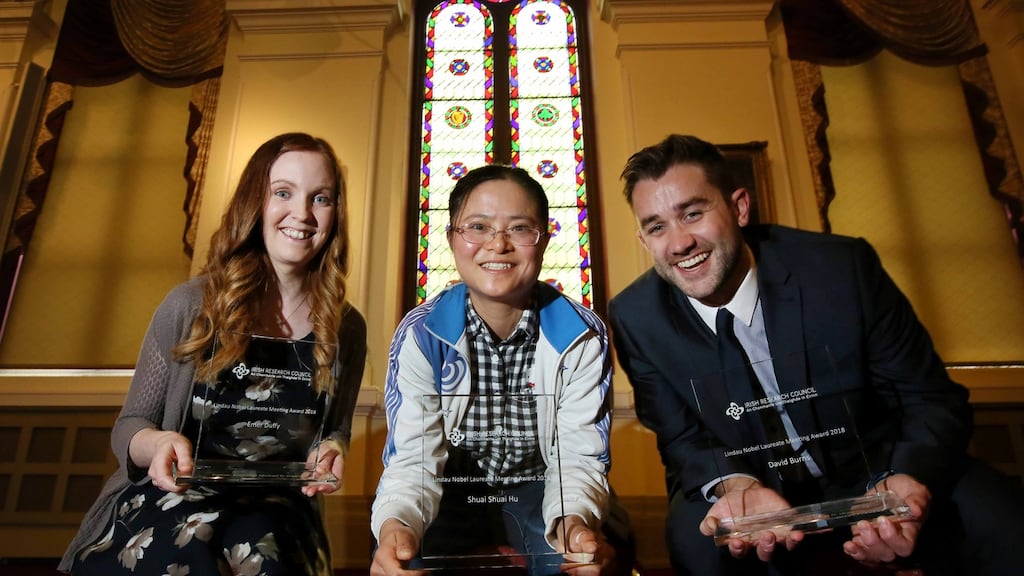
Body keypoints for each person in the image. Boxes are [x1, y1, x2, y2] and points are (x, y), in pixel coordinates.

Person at [608, 134, 1024, 575]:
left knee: (1001, 520)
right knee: (696, 546)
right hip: (753, 480)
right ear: (643, 239)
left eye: (692, 214)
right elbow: (683, 438)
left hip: (877, 467)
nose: (679, 243)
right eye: (657, 227)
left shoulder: (841, 269)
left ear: (740, 208)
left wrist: (901, 481)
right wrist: (737, 484)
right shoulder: (636, 317)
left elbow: (929, 397)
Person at [59, 132, 367, 575]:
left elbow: (334, 430)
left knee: (263, 560)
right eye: (283, 193)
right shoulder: (189, 305)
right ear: (254, 202)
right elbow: (129, 426)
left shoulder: (346, 326)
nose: (302, 213)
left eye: (321, 198)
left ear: (336, 213)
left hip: (278, 507)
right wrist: (161, 442)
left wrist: (332, 449)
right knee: (183, 554)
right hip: (175, 495)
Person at [370, 165, 633, 576]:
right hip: (449, 490)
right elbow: (413, 460)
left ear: (542, 241)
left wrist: (573, 521)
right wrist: (396, 526)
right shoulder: (422, 333)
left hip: (541, 487)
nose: (498, 245)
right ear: (452, 240)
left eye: (520, 229)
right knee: (404, 558)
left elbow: (578, 458)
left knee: (581, 560)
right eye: (477, 227)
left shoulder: (582, 335)